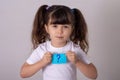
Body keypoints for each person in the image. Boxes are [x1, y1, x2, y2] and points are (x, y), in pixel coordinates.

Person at [20, 5, 97, 80]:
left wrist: (77, 61)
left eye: (65, 26)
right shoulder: (42, 49)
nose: (60, 31)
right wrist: (42, 62)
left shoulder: (74, 49)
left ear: (72, 29)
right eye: (55, 26)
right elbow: (23, 73)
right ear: (47, 28)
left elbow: (94, 75)